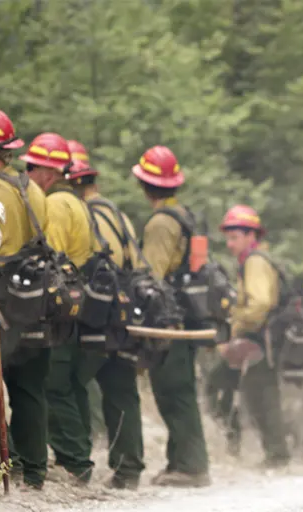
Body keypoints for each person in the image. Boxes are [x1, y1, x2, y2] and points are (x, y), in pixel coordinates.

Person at [0, 108, 52, 490]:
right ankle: (34, 472)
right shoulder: (34, 189)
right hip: (37, 304)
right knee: (30, 388)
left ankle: (1, 464)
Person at [21, 133, 104, 485]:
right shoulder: (79, 205)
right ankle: (77, 455)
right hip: (75, 302)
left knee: (55, 384)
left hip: (57, 305)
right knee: (68, 383)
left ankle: (74, 460)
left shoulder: (55, 204)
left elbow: (50, 255)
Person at [68, 153, 146, 490]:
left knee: (70, 381)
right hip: (127, 306)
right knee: (122, 386)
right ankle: (128, 469)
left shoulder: (84, 213)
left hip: (101, 311)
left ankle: (75, 464)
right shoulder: (118, 213)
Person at [135, 145, 211, 488]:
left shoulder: (162, 223)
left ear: (145, 184)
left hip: (169, 320)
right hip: (187, 317)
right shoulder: (184, 214)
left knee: (173, 391)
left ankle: (191, 466)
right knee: (180, 389)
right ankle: (181, 461)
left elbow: (151, 274)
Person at [217, 204, 291, 467]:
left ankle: (276, 455)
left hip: (259, 337)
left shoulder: (255, 261)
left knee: (262, 396)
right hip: (264, 337)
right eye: (228, 237)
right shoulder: (257, 259)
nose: (229, 243)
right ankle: (275, 453)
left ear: (252, 235)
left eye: (234, 236)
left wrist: (237, 329)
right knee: (261, 395)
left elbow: (259, 303)